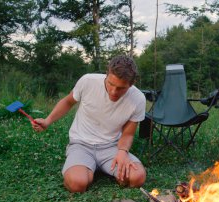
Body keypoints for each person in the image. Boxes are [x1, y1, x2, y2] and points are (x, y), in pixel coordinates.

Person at [32, 55, 146, 193]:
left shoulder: (138, 99)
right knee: (77, 184)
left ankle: (99, 168)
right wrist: (47, 120)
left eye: (121, 88)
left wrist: (122, 152)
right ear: (107, 73)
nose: (113, 92)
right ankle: (87, 168)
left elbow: (128, 133)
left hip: (111, 147)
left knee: (137, 178)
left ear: (131, 84)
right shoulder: (88, 81)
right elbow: (68, 102)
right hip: (81, 144)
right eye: (111, 84)